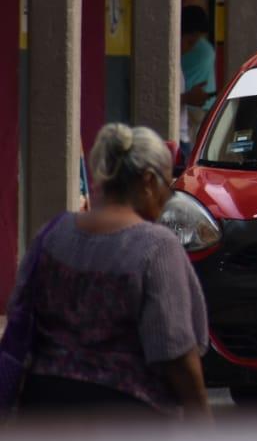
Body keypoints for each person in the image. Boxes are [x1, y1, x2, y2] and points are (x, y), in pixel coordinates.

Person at [8, 124, 210, 419]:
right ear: (148, 181)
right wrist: (201, 418)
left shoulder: (53, 234)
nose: (166, 201)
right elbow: (175, 351)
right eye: (167, 188)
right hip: (124, 421)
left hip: (43, 409)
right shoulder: (156, 248)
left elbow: (20, 309)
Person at [180, 5, 216, 157]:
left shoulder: (202, 50)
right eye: (190, 41)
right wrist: (188, 97)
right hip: (191, 112)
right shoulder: (204, 50)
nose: (191, 46)